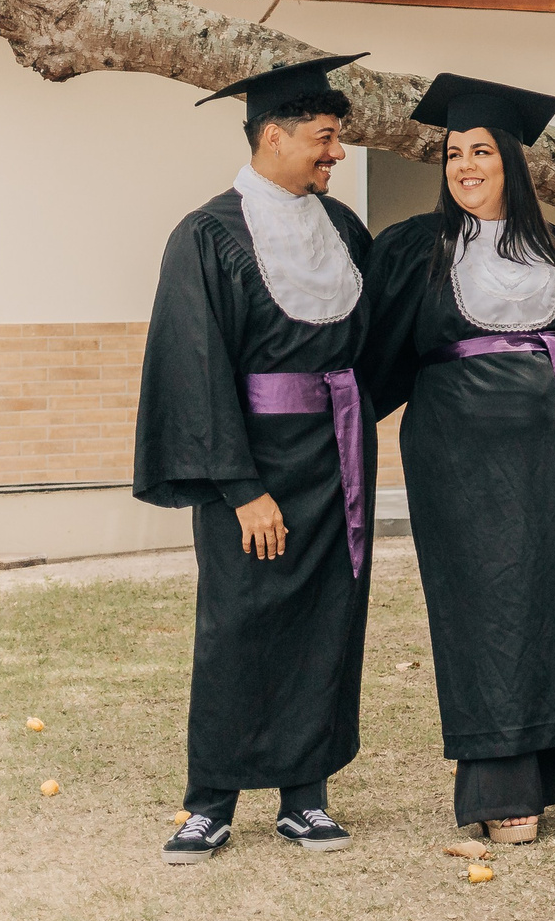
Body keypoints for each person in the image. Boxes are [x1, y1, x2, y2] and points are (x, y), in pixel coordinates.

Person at [139, 55, 378, 864]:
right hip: (253, 467)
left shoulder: (343, 230)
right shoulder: (207, 234)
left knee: (325, 621)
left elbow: (372, 345)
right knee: (238, 623)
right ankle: (209, 801)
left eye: (335, 139)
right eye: (324, 137)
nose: (334, 153)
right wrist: (242, 490)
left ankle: (304, 797)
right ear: (272, 135)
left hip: (337, 459)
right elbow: (193, 368)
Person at [362, 74, 555, 844]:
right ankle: (497, 786)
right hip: (460, 463)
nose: (465, 165)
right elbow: (372, 358)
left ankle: (541, 773)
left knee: (550, 602)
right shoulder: (415, 248)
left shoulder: (553, 248)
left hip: (554, 459)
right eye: (453, 153)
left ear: (512, 160)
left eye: (480, 151)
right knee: (483, 612)